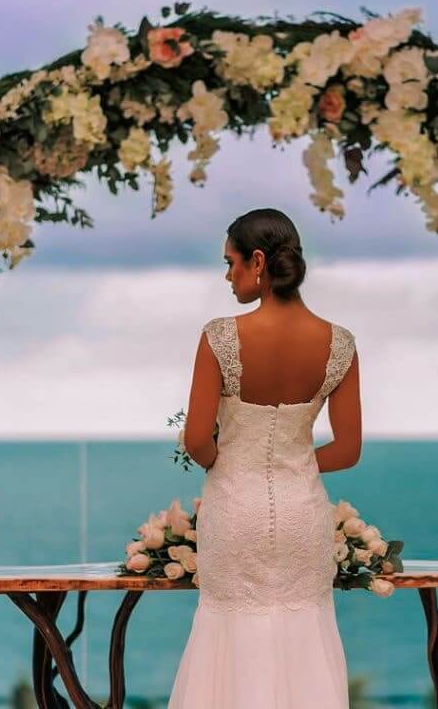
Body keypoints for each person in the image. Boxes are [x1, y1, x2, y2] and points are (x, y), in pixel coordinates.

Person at [168, 207, 362, 708]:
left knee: (228, 632)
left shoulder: (220, 337)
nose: (226, 275)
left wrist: (232, 462)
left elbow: (194, 440)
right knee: (304, 631)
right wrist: (291, 463)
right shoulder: (339, 344)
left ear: (258, 262)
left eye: (230, 262)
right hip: (302, 516)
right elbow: (348, 449)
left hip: (235, 514)